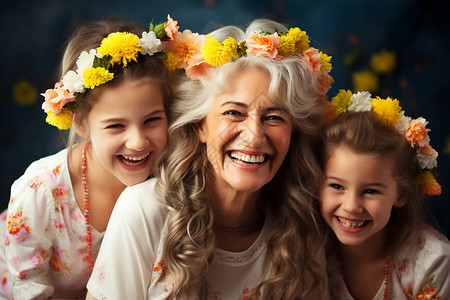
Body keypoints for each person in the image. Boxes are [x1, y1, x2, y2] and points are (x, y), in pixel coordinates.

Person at [86, 18, 333, 300]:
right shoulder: (144, 211)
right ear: (200, 126)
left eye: (274, 117)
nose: (254, 136)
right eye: (233, 113)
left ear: (293, 133)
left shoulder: (302, 226)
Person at [0, 16, 174, 299]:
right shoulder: (40, 192)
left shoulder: (169, 179)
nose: (138, 141)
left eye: (152, 120)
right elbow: (29, 290)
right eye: (116, 125)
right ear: (81, 124)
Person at [318, 90, 450, 299]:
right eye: (337, 186)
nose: (351, 206)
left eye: (370, 191)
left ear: (401, 194)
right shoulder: (310, 250)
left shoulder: (432, 261)